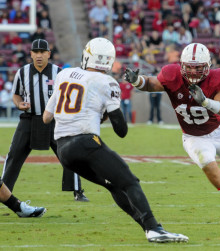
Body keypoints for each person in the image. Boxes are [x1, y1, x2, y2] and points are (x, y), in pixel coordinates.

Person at [43, 37, 189, 243]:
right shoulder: (107, 82)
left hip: (63, 150)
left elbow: (46, 117)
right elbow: (121, 130)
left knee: (114, 186)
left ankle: (150, 230)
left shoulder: (64, 74)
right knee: (130, 182)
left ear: (87, 56)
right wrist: (103, 113)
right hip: (85, 143)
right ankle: (155, 228)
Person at [124, 43, 220, 221]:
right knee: (206, 162)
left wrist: (206, 102)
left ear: (207, 66)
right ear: (182, 66)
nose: (193, 72)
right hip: (194, 136)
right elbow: (151, 84)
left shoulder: (215, 79)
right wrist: (137, 81)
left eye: (198, 68)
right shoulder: (172, 75)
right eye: (190, 67)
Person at [1, 39, 89, 202]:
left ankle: (77, 190)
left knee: (70, 153)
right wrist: (19, 104)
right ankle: (3, 192)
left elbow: (68, 96)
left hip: (54, 121)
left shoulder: (60, 73)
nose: (39, 55)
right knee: (13, 155)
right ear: (31, 54)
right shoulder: (22, 72)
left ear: (49, 54)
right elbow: (16, 94)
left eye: (43, 52)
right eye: (36, 52)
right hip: (29, 119)